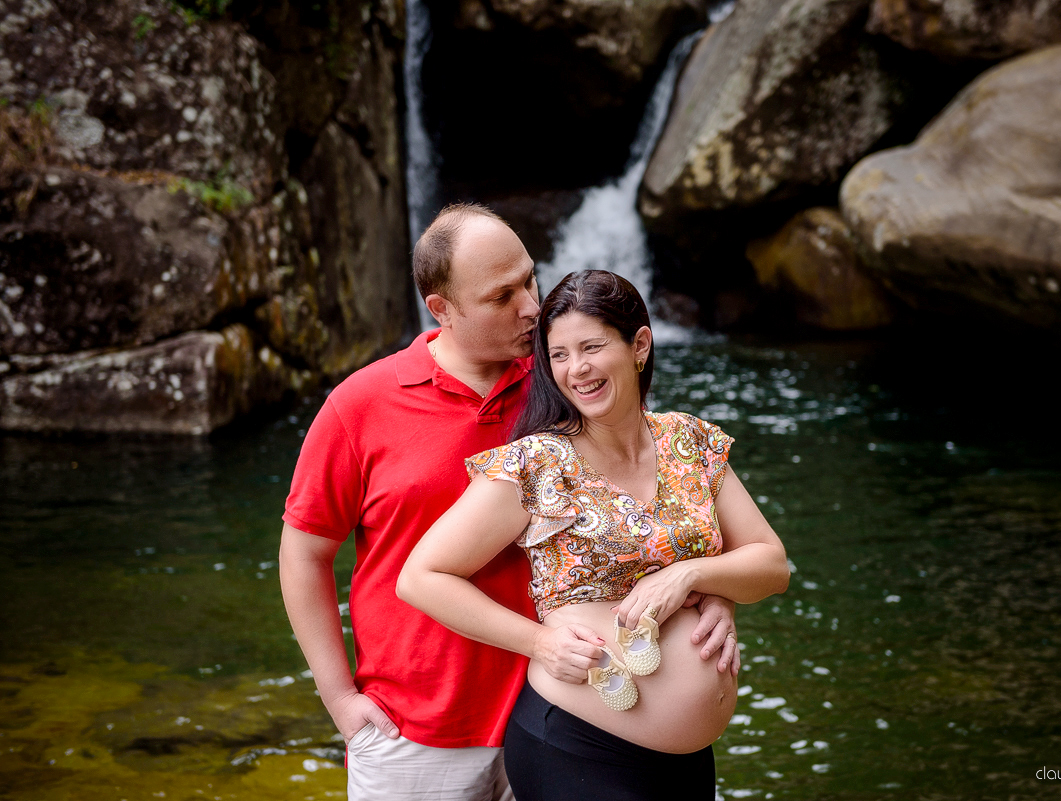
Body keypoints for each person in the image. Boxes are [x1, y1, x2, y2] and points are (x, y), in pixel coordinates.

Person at [279, 206, 741, 801]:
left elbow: (660, 503)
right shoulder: (359, 406)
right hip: (418, 729)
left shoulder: (570, 382)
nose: (531, 306)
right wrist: (338, 697)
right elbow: (304, 553)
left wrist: (709, 591)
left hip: (571, 716)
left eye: (530, 279)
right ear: (440, 308)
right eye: (502, 296)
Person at [397, 270, 790, 800]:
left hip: (687, 761)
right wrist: (539, 642)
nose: (576, 370)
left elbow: (771, 564)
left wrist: (696, 576)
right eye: (558, 355)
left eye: (591, 347)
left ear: (640, 345)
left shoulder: (689, 441)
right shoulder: (537, 464)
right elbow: (422, 577)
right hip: (578, 748)